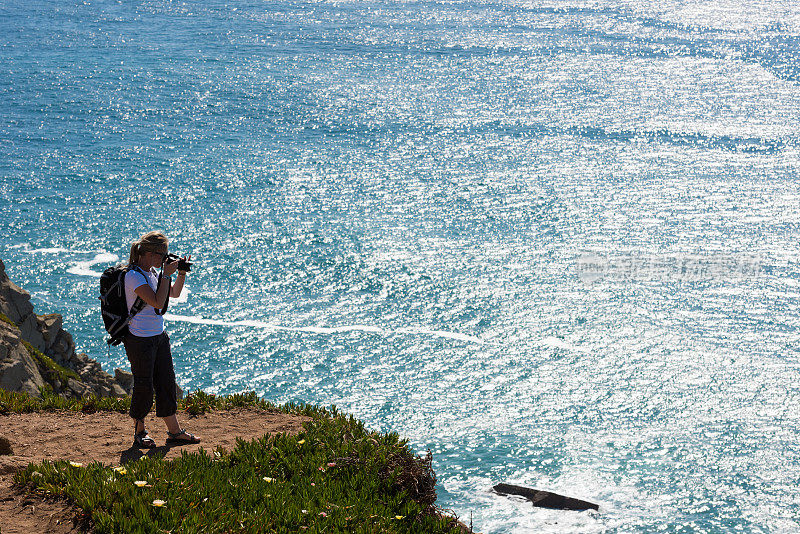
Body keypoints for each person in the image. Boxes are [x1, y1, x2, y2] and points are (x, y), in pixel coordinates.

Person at [123, 231, 200, 448]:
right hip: (140, 340)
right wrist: (166, 274)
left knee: (166, 383)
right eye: (163, 255)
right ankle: (140, 432)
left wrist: (181, 273)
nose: (165, 259)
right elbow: (157, 302)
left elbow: (173, 294)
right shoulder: (134, 276)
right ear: (149, 253)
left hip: (158, 336)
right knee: (144, 386)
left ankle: (174, 433)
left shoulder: (154, 272)